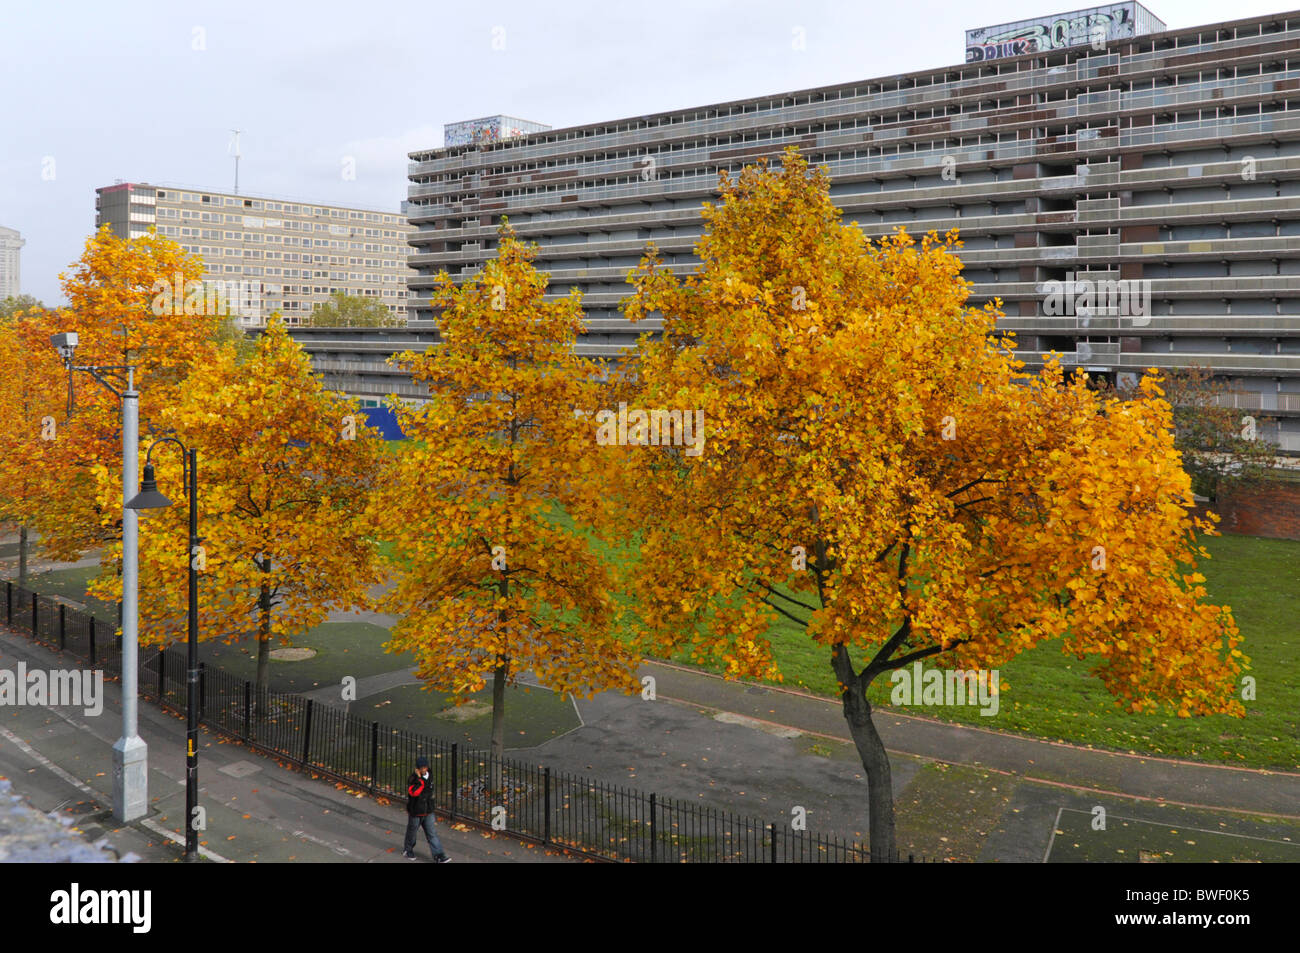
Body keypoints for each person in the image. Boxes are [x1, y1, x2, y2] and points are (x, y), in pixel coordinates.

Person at [403, 755, 451, 862]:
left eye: (425, 767)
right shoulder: (413, 779)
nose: (423, 769)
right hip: (416, 811)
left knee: (432, 833)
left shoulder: (430, 776)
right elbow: (414, 793)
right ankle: (408, 849)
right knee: (412, 832)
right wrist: (419, 779)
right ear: (418, 768)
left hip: (428, 810)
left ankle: (438, 855)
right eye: (421, 768)